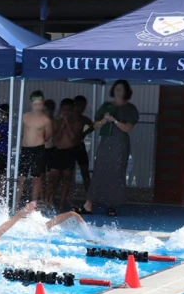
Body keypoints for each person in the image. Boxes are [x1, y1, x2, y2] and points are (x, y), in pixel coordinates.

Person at [78, 80, 138, 218]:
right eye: (116, 88)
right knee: (99, 169)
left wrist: (115, 121)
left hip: (120, 142)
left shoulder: (129, 108)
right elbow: (95, 125)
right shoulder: (106, 106)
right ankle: (88, 204)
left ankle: (112, 204)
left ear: (126, 91)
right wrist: (104, 121)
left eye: (121, 89)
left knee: (116, 172)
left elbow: (128, 128)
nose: (118, 91)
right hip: (105, 140)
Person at [17, 91, 51, 205]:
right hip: (25, 149)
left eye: (39, 104)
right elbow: (21, 133)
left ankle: (33, 205)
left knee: (36, 179)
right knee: (20, 178)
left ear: (43, 104)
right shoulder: (24, 117)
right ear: (31, 104)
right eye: (35, 104)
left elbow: (48, 136)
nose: (37, 107)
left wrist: (37, 140)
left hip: (38, 150)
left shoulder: (46, 120)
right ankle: (16, 203)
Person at [48, 98, 80, 212]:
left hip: (69, 152)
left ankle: (62, 204)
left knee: (66, 179)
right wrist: (62, 124)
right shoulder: (56, 121)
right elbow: (56, 138)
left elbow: (73, 138)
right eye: (64, 109)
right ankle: (50, 200)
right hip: (57, 151)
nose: (66, 112)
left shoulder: (76, 122)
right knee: (53, 178)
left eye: (68, 109)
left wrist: (67, 123)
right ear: (61, 109)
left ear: (72, 110)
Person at [72, 95, 94, 191]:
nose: (82, 108)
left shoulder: (84, 119)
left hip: (79, 146)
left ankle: (88, 194)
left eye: (84, 106)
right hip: (68, 147)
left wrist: (83, 134)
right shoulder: (68, 118)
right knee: (67, 173)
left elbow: (92, 126)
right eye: (80, 106)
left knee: (85, 172)